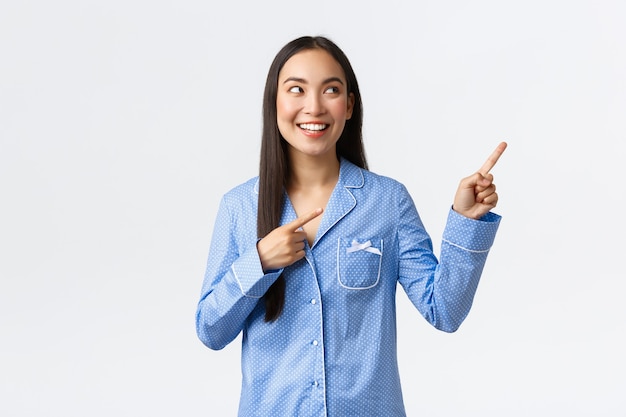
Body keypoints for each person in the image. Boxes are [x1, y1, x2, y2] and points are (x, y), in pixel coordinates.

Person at [195, 35, 507, 416]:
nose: (313, 106)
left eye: (330, 90)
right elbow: (210, 330)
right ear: (274, 102)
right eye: (296, 89)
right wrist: (258, 262)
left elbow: (444, 310)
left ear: (348, 106)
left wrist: (465, 222)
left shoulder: (387, 202)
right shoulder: (239, 207)